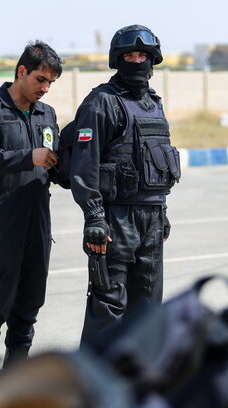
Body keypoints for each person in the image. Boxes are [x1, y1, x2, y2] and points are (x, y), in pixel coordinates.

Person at [67, 25, 181, 345]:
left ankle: (136, 385)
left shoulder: (155, 104)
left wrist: (163, 210)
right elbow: (84, 163)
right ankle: (93, 385)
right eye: (129, 55)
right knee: (109, 308)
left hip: (152, 218)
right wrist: (93, 216)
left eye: (142, 55)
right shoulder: (101, 102)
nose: (136, 60)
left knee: (147, 309)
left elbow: (158, 162)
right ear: (118, 60)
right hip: (115, 218)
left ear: (152, 59)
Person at [0, 40, 63, 367]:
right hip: (3, 223)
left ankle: (15, 380)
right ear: (21, 72)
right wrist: (28, 157)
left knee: (29, 307)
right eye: (40, 79)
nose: (46, 88)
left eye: (51, 82)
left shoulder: (47, 115)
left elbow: (55, 164)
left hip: (38, 223)